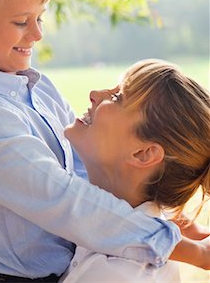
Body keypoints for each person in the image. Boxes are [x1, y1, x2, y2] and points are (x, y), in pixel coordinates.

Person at [0, 0, 208, 283]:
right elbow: (64, 199)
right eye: (22, 21)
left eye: (40, 18)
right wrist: (189, 252)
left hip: (72, 267)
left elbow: (92, 168)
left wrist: (167, 218)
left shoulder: (40, 87)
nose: (37, 34)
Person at [61, 59, 210, 282]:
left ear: (144, 154)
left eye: (116, 97)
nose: (94, 93)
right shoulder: (160, 228)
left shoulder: (112, 275)